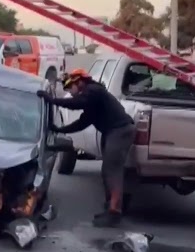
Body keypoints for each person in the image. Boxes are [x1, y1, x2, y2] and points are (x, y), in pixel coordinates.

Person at [37, 68, 135, 227]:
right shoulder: (92, 101)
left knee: (113, 170)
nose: (71, 92)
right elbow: (82, 123)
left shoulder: (93, 91)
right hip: (112, 132)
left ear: (80, 81)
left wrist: (52, 100)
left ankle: (115, 211)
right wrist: (60, 130)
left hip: (120, 131)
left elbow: (76, 103)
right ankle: (112, 206)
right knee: (108, 171)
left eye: (71, 87)